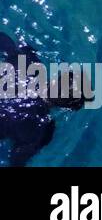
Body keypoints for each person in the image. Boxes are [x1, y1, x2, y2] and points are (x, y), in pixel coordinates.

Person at [0, 32, 89, 166]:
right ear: (68, 108)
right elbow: (16, 161)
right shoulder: (42, 130)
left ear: (57, 78)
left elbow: (6, 41)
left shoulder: (30, 62)